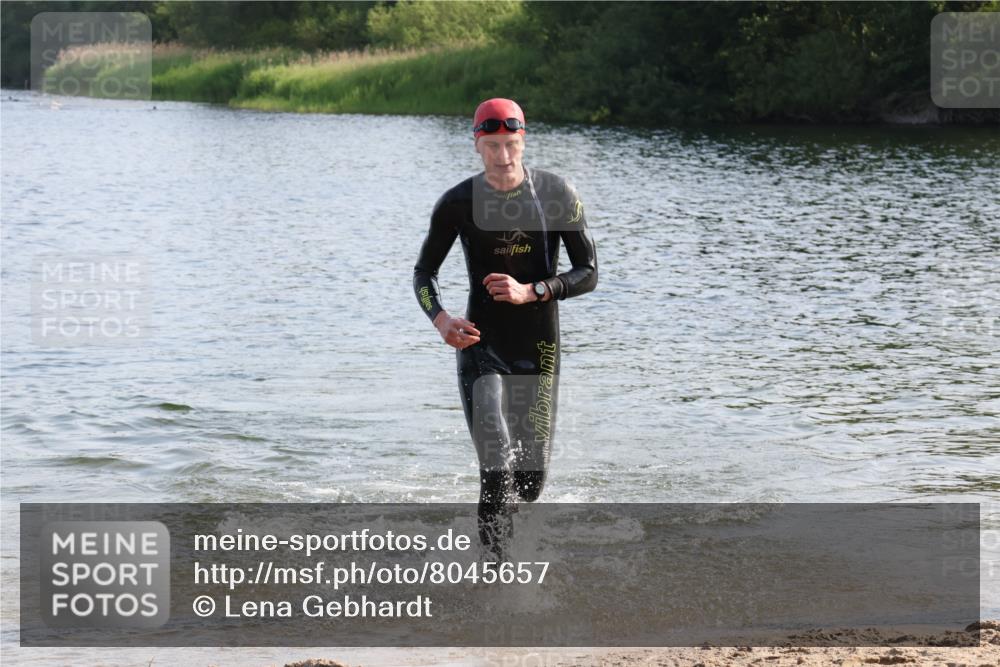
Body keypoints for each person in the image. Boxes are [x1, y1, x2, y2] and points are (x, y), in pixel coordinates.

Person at [413, 98, 598, 560]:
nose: (503, 156)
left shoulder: (556, 194)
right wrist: (442, 320)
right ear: (476, 145)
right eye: (492, 145)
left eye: (511, 144)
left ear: (523, 140)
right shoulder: (458, 202)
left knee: (529, 485)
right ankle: (498, 579)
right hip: (480, 343)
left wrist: (532, 290)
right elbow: (424, 273)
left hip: (539, 347)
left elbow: (588, 272)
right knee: (496, 463)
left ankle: (502, 533)